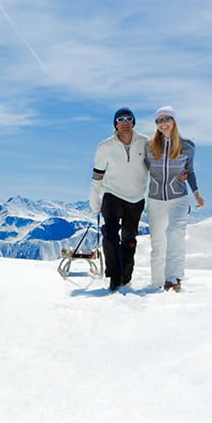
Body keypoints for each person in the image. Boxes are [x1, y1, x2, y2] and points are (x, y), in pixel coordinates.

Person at [145, 106, 204, 292]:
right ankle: (157, 282)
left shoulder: (187, 146)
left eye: (166, 119)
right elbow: (140, 170)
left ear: (174, 121)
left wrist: (196, 193)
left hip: (179, 197)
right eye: (158, 121)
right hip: (155, 199)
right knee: (158, 241)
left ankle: (173, 280)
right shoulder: (149, 146)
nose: (163, 124)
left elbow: (191, 171)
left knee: (175, 233)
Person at [90, 108, 149, 291]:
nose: (125, 122)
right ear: (115, 124)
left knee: (129, 239)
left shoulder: (146, 143)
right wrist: (95, 201)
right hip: (112, 195)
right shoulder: (104, 147)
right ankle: (114, 277)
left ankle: (126, 276)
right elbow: (97, 176)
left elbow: (157, 169)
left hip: (136, 197)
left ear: (133, 122)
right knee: (110, 234)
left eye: (128, 119)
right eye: (120, 119)